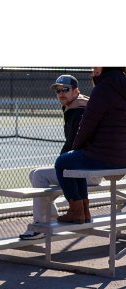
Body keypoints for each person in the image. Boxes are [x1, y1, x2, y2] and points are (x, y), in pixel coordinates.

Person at [20, 74, 101, 240]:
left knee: (38, 175)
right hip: (90, 167)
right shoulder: (78, 106)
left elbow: (74, 145)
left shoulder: (78, 112)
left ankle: (39, 227)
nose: (61, 93)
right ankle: (48, 219)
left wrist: (61, 162)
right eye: (58, 90)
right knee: (34, 172)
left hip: (88, 171)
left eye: (65, 89)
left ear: (76, 91)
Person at [55, 67, 126, 224]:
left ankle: (76, 211)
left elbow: (88, 123)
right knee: (75, 163)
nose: (93, 69)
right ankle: (83, 210)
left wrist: (77, 147)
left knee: (62, 162)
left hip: (104, 156)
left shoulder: (104, 88)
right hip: (122, 157)